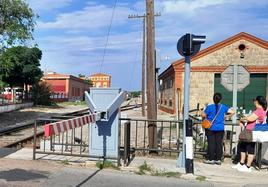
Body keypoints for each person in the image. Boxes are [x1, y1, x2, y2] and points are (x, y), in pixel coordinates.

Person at [232, 96, 267, 172]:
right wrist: (245, 118)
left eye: (254, 100)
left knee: (250, 149)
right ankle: (241, 163)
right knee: (242, 147)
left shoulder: (259, 110)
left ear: (257, 102)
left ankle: (248, 166)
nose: (253, 102)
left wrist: (243, 118)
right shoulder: (260, 110)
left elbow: (250, 118)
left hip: (252, 131)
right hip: (249, 131)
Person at [201, 93, 234, 165]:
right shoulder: (223, 107)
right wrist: (226, 116)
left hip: (210, 128)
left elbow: (203, 115)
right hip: (220, 128)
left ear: (213, 98)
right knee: (219, 143)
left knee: (211, 143)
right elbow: (232, 112)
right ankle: (218, 159)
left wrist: (202, 110)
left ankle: (211, 158)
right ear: (220, 99)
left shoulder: (209, 107)